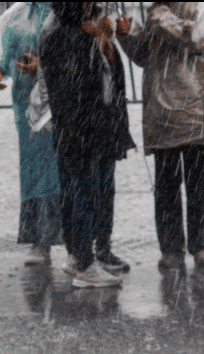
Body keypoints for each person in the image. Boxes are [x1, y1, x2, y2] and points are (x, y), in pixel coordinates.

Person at [41, 2, 135, 288]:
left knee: (88, 190)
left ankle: (85, 256)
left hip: (90, 129)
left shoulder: (79, 34)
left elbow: (108, 78)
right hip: (82, 130)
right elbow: (82, 87)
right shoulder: (67, 36)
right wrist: (94, 42)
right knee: (82, 191)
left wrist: (104, 43)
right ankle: (83, 262)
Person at [117, 2, 204, 272]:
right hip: (162, 114)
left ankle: (201, 244)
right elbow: (142, 55)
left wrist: (162, 20)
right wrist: (126, 36)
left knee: (199, 186)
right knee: (166, 188)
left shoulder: (201, 7)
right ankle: (171, 248)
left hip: (195, 108)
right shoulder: (153, 11)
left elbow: (197, 40)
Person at [0, 2, 62, 264]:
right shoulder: (15, 16)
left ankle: (82, 245)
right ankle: (40, 239)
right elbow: (3, 55)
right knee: (35, 168)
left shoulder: (68, 10)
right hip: (29, 107)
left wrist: (43, 66)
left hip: (64, 100)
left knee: (69, 169)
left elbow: (76, 51)